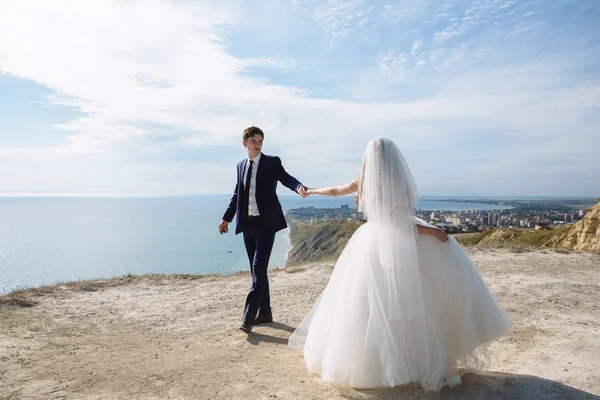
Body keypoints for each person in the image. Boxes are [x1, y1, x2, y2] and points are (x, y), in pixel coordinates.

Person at [288, 136, 511, 392]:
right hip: (400, 245)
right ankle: (413, 360)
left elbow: (337, 190)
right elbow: (403, 224)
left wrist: (312, 190)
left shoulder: (364, 182)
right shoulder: (399, 184)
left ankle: (374, 363)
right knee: (408, 300)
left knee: (370, 302)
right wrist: (436, 233)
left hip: (372, 242)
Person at [219, 126, 307, 334]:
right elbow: (237, 195)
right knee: (256, 272)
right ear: (245, 143)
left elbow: (286, 178)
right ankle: (265, 312)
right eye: (253, 141)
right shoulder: (241, 166)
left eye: (260, 141)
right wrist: (226, 218)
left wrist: (299, 187)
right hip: (248, 225)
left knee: (258, 271)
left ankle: (247, 319)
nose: (257, 145)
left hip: (266, 225)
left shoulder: (271, 162)